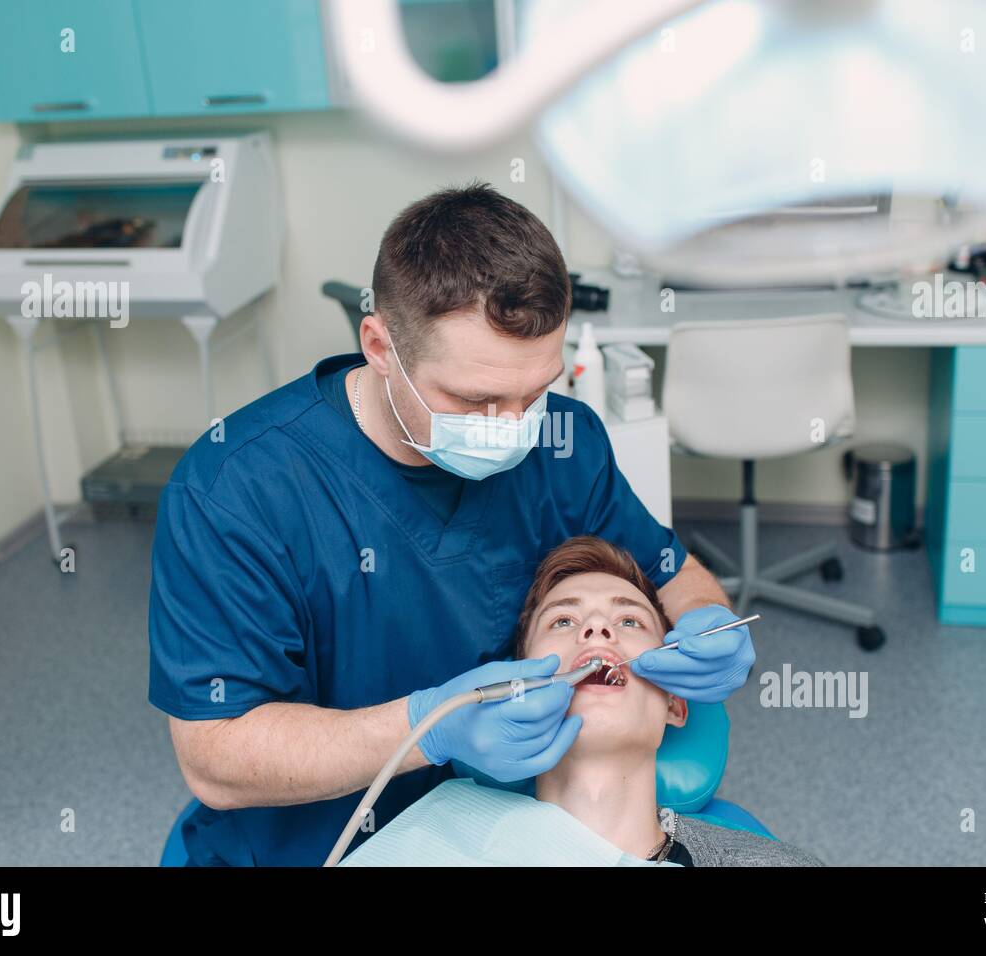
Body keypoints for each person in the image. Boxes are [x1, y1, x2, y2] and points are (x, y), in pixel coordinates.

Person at [148, 182, 755, 865]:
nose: (513, 426)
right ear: (380, 345)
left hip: (513, 830)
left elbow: (669, 574)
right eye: (475, 399)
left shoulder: (564, 444)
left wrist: (711, 619)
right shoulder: (237, 490)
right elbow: (215, 755)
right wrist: (427, 728)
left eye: (536, 391)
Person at [343, 537, 822, 866]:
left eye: (631, 621)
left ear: (675, 705)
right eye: (563, 622)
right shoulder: (434, 835)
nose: (597, 629)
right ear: (517, 687)